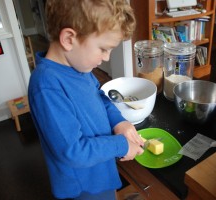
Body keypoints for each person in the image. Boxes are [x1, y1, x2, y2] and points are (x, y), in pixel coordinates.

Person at [28, 0, 144, 199]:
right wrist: (121, 145)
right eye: (103, 49)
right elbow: (72, 150)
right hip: (83, 186)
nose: (107, 58)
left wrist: (119, 122)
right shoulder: (47, 85)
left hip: (100, 169)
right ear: (69, 39)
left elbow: (101, 98)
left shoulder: (80, 68)